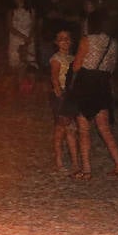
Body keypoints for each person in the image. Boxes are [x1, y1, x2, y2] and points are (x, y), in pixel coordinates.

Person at [70, 10, 118, 180]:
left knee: (84, 130)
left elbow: (77, 66)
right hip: (102, 86)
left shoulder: (87, 40)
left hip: (86, 85)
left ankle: (86, 171)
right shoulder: (113, 43)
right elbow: (111, 68)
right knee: (105, 129)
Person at [49, 30, 79, 175]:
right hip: (60, 95)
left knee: (67, 129)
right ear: (56, 42)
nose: (65, 41)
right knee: (63, 128)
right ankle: (62, 161)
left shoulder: (73, 57)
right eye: (61, 39)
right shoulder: (56, 58)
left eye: (67, 38)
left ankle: (72, 162)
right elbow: (54, 78)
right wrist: (59, 94)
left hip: (70, 96)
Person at [7, 0, 37, 97]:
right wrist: (23, 37)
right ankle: (20, 88)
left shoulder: (31, 10)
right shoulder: (11, 11)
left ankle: (31, 88)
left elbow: (33, 25)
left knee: (30, 63)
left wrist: (29, 38)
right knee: (17, 65)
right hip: (16, 39)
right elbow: (10, 27)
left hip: (29, 39)